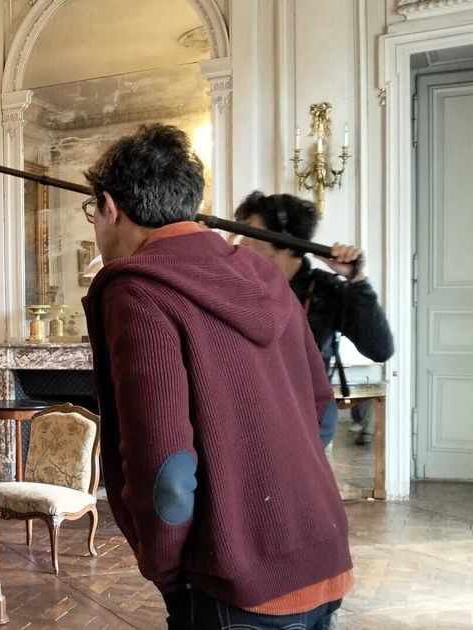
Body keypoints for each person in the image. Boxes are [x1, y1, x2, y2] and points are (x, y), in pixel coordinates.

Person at [80, 124, 352, 629]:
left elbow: (166, 471)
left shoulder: (138, 291)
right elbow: (322, 413)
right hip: (323, 551)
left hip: (236, 583)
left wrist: (167, 572)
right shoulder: (264, 274)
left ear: (110, 207)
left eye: (91, 211)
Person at [234, 192, 394, 446]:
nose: (243, 241)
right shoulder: (238, 285)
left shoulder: (324, 290)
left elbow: (379, 348)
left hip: (307, 419)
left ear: (284, 241)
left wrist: (356, 280)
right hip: (248, 416)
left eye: (250, 232)